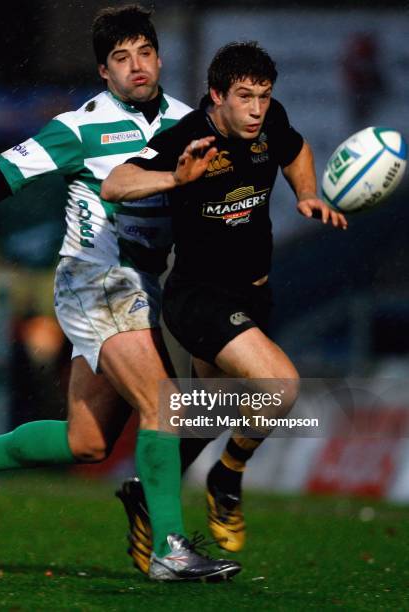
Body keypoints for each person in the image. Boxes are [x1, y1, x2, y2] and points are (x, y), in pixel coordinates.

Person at [0, 6, 240, 582]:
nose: (135, 66)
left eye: (143, 53)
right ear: (104, 73)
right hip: (94, 280)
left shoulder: (190, 123)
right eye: (120, 58)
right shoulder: (81, 126)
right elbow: (5, 174)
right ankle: (169, 548)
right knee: (160, 402)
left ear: (159, 58)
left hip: (142, 289)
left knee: (88, 442)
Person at [103, 40, 348, 553]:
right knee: (280, 387)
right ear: (217, 95)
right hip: (198, 298)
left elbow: (296, 150)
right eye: (244, 97)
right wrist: (175, 176)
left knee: (211, 413)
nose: (256, 109)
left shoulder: (270, 121)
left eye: (263, 95)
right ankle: (227, 478)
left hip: (254, 294)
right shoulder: (188, 137)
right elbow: (116, 182)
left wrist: (306, 193)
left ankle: (146, 496)